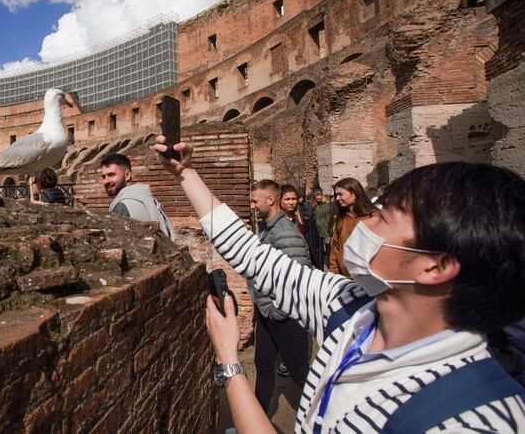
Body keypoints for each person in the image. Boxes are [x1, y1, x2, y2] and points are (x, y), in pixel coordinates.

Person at [155, 135, 525, 433]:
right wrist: (184, 173)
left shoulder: (471, 420)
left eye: (383, 220)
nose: (363, 227)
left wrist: (229, 362)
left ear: (435, 266)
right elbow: (254, 256)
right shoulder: (350, 309)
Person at [248, 180, 312, 413]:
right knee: (263, 365)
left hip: (285, 316)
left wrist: (278, 312)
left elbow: (298, 278)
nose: (253, 205)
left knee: (300, 373)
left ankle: (332, 421)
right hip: (267, 311)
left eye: (255, 200)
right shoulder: (265, 228)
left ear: (271, 200)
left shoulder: (285, 233)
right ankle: (256, 423)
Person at [99, 153, 174, 240]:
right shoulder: (145, 197)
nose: (106, 181)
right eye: (103, 177)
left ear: (128, 175)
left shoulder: (123, 205)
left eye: (111, 175)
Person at [328, 178, 378, 277]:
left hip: (370, 277)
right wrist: (334, 276)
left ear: (354, 194)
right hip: (346, 277)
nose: (337, 198)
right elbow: (335, 250)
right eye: (336, 195)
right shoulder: (340, 220)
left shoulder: (374, 217)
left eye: (340, 194)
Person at [280, 185, 321, 269]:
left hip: (304, 267)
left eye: (294, 199)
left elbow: (315, 247)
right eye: (287, 199)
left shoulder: (306, 223)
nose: (291, 202)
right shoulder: (274, 224)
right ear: (279, 201)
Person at [312, 189, 331, 270]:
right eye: (317, 199)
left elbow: (329, 214)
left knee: (328, 246)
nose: (319, 200)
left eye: (320, 198)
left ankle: (330, 263)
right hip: (318, 229)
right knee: (319, 248)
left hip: (326, 229)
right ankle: (320, 265)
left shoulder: (326, 205)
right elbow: (312, 217)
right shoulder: (313, 206)